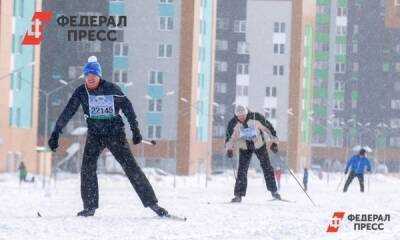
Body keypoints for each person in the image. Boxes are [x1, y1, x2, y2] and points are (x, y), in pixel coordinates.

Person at [48, 56, 168, 217]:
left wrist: (135, 130)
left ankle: (153, 204)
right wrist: (56, 132)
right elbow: (68, 111)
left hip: (114, 133)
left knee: (131, 167)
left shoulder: (112, 89)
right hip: (95, 134)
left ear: (99, 76)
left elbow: (128, 108)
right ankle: (90, 207)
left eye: (93, 75)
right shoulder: (81, 92)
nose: (90, 78)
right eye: (87, 75)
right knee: (87, 168)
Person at [225, 104, 281, 202]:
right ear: (236, 115)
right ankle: (238, 195)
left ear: (247, 113)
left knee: (267, 167)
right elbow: (230, 138)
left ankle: (274, 192)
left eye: (243, 115)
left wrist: (274, 143)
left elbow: (269, 129)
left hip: (259, 145)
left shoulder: (256, 117)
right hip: (244, 148)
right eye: (239, 116)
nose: (241, 118)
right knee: (242, 170)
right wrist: (229, 149)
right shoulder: (233, 124)